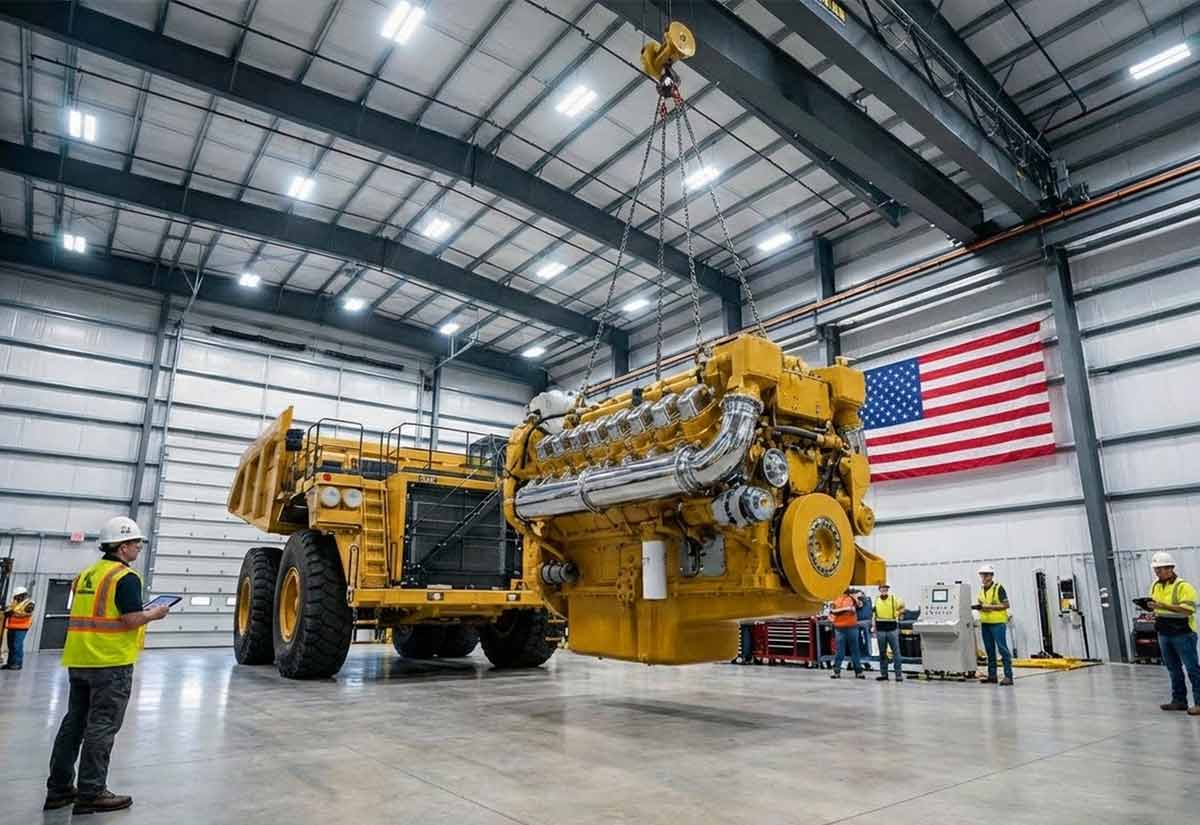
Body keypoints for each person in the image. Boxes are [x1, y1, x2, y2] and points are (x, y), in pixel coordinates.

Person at [44, 516, 172, 815]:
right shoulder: (124, 577)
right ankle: (92, 792)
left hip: (79, 659)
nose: (139, 548)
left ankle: (59, 790)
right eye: (136, 544)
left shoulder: (86, 575)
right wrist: (155, 613)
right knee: (101, 728)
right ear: (123, 546)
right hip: (110, 663)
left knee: (73, 725)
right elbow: (130, 619)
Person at [1147, 551, 1200, 714]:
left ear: (1170, 568)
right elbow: (1156, 605)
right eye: (1156, 569)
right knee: (1173, 668)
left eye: (1160, 569)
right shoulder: (1155, 585)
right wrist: (1151, 610)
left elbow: (1188, 610)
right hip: (1164, 632)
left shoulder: (1183, 587)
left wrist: (1162, 606)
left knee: (1192, 669)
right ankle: (1179, 701)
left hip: (1183, 634)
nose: (1157, 572)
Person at [975, 565, 1013, 686]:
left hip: (998, 624)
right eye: (982, 575)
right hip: (985, 623)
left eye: (986, 575)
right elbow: (982, 603)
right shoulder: (982, 589)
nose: (984, 577)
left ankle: (1008, 676)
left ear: (991, 576)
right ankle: (992, 676)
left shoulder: (998, 588)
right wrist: (980, 607)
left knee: (1003, 649)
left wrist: (989, 607)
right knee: (989, 650)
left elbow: (1006, 605)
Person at [873, 583, 905, 682]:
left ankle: (898, 675)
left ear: (888, 590)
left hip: (892, 629)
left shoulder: (893, 598)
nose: (884, 591)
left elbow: (902, 607)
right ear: (879, 590)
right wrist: (873, 627)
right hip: (880, 629)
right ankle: (884, 674)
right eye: (882, 589)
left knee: (896, 652)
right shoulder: (876, 600)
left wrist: (898, 614)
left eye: (885, 589)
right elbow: (874, 614)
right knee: (882, 653)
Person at [829, 587, 864, 679]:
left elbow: (860, 605)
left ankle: (858, 672)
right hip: (840, 629)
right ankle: (836, 671)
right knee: (840, 651)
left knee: (855, 650)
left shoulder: (852, 598)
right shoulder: (834, 599)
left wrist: (856, 598)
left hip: (852, 627)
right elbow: (833, 611)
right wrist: (847, 608)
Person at [3, 585, 36, 670]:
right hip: (11, 626)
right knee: (10, 646)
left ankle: (17, 664)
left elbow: (26, 612)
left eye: (17, 596)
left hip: (21, 628)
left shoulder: (29, 603)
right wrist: (7, 610)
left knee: (17, 646)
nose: (16, 597)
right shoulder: (15, 602)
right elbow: (8, 609)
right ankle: (10, 663)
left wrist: (12, 612)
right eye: (15, 596)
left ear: (23, 595)